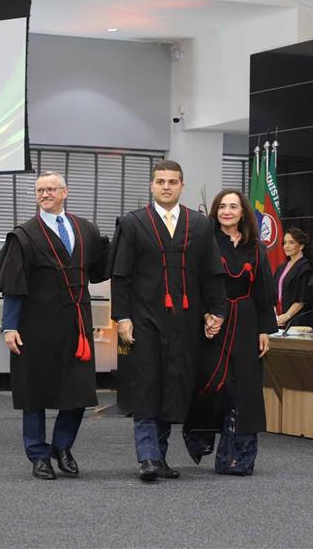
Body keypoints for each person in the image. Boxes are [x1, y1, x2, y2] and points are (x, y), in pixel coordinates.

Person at [110, 160, 227, 482]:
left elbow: (211, 274)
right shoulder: (133, 223)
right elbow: (120, 275)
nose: (166, 186)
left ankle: (159, 456)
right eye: (160, 181)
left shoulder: (200, 225)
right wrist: (122, 317)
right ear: (151, 185)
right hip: (144, 319)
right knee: (147, 384)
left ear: (182, 186)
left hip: (185, 321)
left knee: (173, 385)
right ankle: (147, 457)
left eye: (172, 182)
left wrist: (216, 311)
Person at [0, 171, 108, 480]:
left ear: (64, 192)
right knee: (35, 392)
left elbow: (101, 269)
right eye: (39, 190)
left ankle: (62, 447)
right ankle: (38, 455)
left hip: (77, 323)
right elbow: (13, 283)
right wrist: (9, 326)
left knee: (79, 391)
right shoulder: (24, 235)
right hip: (35, 325)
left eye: (50, 189)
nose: (44, 194)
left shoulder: (85, 229)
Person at [182, 189, 277, 476]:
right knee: (213, 385)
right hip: (213, 323)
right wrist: (206, 315)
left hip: (247, 322)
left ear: (242, 212)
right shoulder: (204, 243)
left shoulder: (255, 247)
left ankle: (236, 459)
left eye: (233, 206)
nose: (227, 211)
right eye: (222, 206)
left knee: (244, 390)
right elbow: (193, 284)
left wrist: (264, 330)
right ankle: (200, 439)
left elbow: (263, 292)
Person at [273, 227, 313, 329]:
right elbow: (274, 293)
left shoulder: (306, 268)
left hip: (297, 320)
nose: (286, 246)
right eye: (285, 243)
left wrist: (287, 316)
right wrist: (275, 314)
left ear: (301, 246)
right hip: (279, 319)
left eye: (291, 242)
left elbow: (302, 299)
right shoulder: (281, 267)